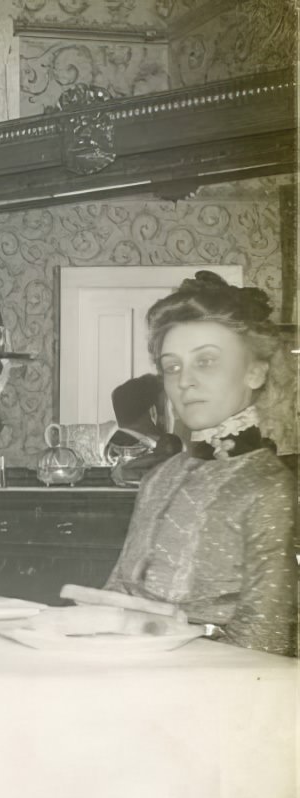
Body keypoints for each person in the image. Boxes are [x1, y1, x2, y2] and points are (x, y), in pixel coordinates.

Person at [105, 271, 296, 656]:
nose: (184, 381)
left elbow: (265, 638)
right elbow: (118, 593)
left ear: (255, 371)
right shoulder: (159, 479)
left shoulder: (270, 487)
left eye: (206, 361)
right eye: (172, 366)